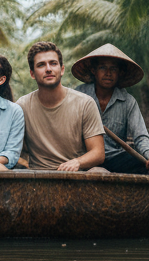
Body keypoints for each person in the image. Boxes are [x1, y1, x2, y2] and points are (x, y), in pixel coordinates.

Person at [16, 40, 106, 171]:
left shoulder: (84, 103)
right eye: (41, 65)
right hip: (38, 176)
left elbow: (98, 152)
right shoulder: (22, 106)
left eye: (53, 63)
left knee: (100, 171)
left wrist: (77, 162)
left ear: (62, 69)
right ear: (32, 73)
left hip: (76, 175)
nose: (48, 69)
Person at [73, 44, 149, 174]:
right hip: (84, 157)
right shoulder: (79, 95)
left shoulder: (128, 101)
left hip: (114, 159)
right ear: (93, 70)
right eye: (103, 68)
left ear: (120, 72)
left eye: (113, 69)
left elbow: (141, 136)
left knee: (143, 165)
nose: (108, 73)